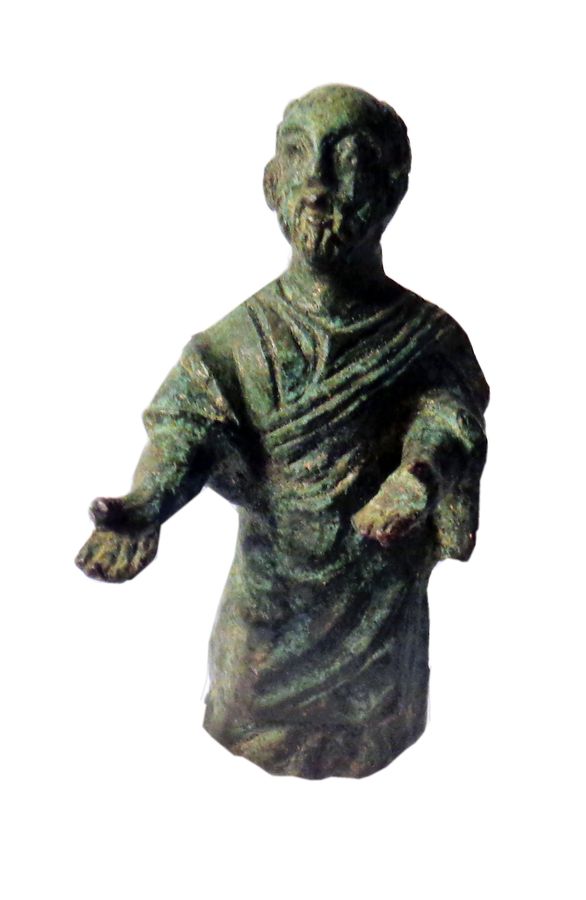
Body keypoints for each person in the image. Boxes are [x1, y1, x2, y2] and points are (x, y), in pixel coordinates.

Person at [76, 85, 488, 778]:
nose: (319, 186)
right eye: (299, 157)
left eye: (348, 161)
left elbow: (449, 419)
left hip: (378, 623)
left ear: (392, 189)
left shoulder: (426, 338)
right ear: (271, 185)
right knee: (243, 712)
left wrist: (417, 476)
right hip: (267, 621)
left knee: (375, 726)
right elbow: (186, 430)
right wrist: (146, 505)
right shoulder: (232, 344)